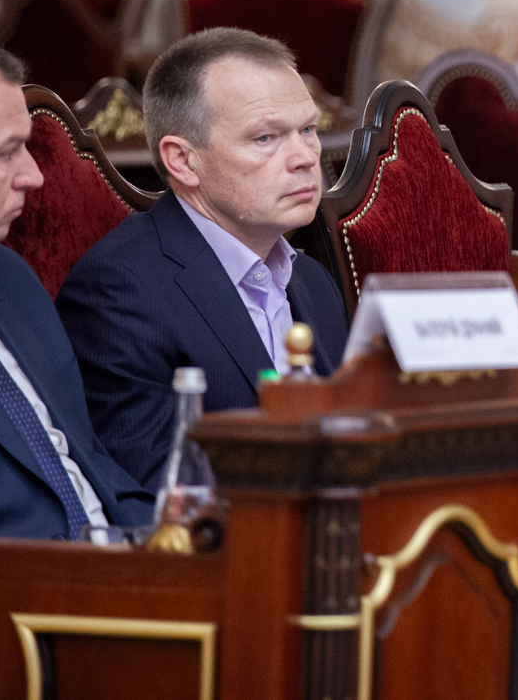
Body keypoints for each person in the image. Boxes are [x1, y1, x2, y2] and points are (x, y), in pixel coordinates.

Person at [58, 29, 348, 489]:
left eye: (308, 130)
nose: (304, 157)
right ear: (183, 160)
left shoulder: (312, 280)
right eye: (266, 137)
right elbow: (160, 487)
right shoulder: (120, 291)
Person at [0, 34, 152, 538]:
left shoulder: (6, 275)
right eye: (7, 152)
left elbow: (95, 467)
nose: (34, 176)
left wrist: (173, 543)